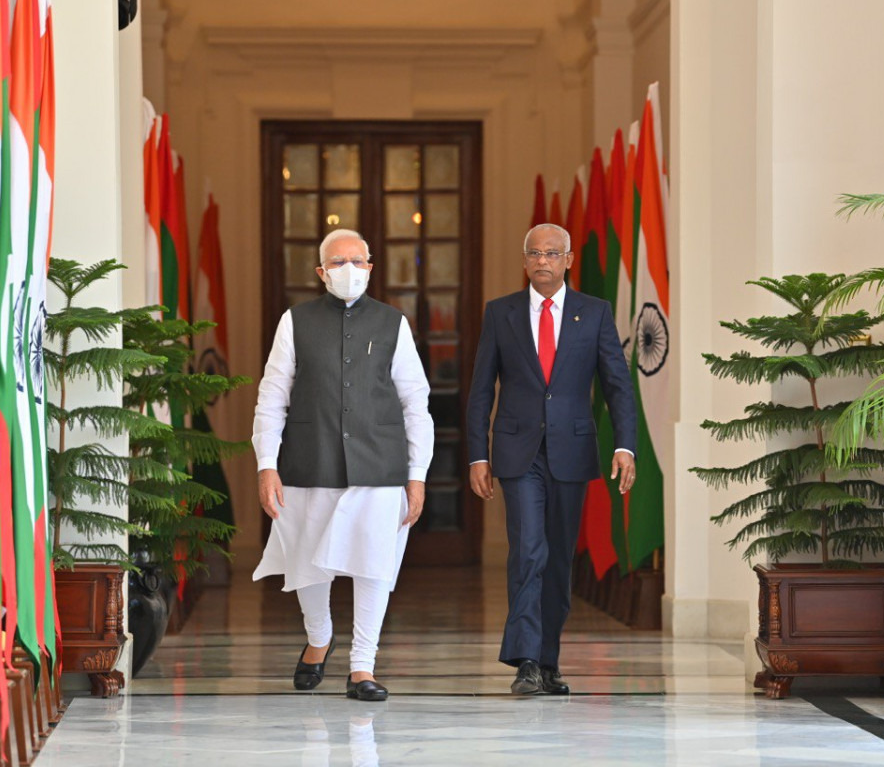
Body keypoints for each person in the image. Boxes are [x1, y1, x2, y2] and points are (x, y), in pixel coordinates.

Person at [251, 228, 433, 702]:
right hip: (310, 461)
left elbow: (416, 401)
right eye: (337, 262)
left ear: (371, 268)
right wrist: (266, 464)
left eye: (357, 261)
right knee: (309, 562)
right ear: (321, 272)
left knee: (374, 566)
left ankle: (362, 666)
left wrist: (417, 475)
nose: (348, 269)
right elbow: (272, 397)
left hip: (379, 464)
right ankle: (319, 637)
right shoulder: (295, 321)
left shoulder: (393, 323)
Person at [467, 222, 637, 695]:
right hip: (517, 452)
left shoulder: (594, 312)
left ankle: (548, 660)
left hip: (571, 450)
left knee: (558, 558)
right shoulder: (500, 314)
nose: (542, 261)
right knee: (528, 551)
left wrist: (626, 446)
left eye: (551, 253)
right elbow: (482, 389)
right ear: (524, 261)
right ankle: (524, 660)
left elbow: (618, 386)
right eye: (534, 253)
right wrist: (476, 455)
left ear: (567, 261)